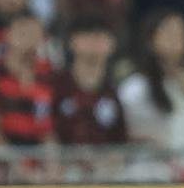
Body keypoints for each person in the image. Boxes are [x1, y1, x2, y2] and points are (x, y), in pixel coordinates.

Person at [117, 9, 184, 154]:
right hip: (152, 169)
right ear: (150, 40)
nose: (177, 38)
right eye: (169, 32)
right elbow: (122, 133)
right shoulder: (135, 87)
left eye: (182, 32)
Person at [0, 11, 56, 148]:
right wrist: (15, 165)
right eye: (22, 31)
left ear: (42, 39)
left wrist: (52, 163)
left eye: (33, 33)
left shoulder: (49, 76)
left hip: (38, 158)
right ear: (7, 34)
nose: (27, 38)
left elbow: (48, 129)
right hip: (1, 159)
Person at [51, 14, 127, 146]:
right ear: (71, 41)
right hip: (63, 163)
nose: (94, 42)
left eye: (100, 36)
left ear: (112, 44)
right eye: (87, 35)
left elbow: (120, 137)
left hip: (106, 164)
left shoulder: (119, 89)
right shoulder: (55, 85)